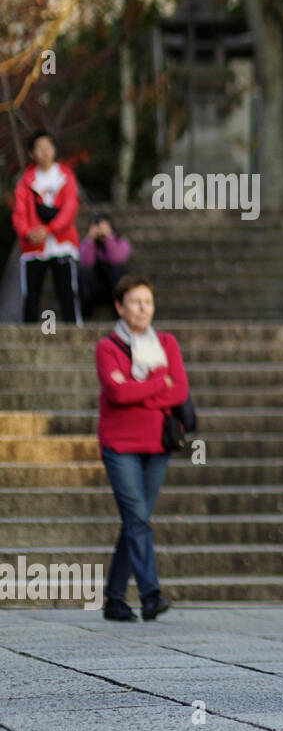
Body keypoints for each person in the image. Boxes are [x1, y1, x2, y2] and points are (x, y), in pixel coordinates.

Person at [95, 276, 187, 622]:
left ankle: (114, 599)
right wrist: (155, 384)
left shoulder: (167, 342)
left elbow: (178, 391)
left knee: (137, 521)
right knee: (137, 518)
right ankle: (151, 595)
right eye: (135, 301)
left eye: (147, 301)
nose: (142, 308)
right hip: (120, 446)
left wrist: (136, 386)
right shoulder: (107, 347)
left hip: (157, 445)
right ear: (120, 306)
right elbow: (116, 395)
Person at [13, 130, 81, 326]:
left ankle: (74, 330)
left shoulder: (66, 176)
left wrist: (50, 229)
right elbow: (19, 213)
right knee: (31, 294)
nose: (45, 152)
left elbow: (70, 208)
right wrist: (28, 232)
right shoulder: (25, 181)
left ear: (54, 149)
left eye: (48, 147)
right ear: (31, 153)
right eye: (39, 148)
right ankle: (27, 334)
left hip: (62, 242)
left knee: (67, 290)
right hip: (33, 245)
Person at [79, 213, 132, 320]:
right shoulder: (87, 243)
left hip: (114, 284)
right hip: (95, 287)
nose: (100, 229)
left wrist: (108, 238)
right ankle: (85, 315)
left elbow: (116, 259)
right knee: (84, 272)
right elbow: (86, 262)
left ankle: (119, 312)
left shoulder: (121, 241)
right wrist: (90, 240)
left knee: (118, 270)